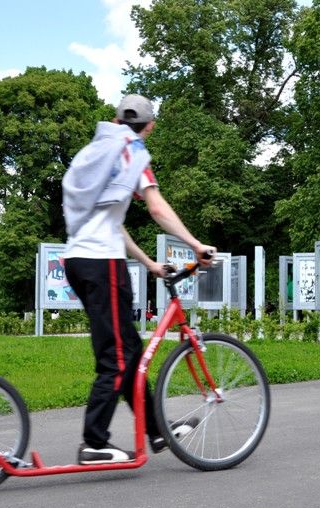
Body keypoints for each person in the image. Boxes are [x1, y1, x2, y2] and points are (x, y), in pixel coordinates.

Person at [62, 94, 215, 464]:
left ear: (116, 120)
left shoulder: (97, 152)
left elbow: (112, 224)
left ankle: (157, 431)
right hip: (102, 265)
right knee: (117, 356)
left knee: (129, 351)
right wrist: (196, 245)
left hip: (79, 260)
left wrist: (149, 264)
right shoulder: (132, 153)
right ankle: (94, 443)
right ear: (149, 127)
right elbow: (157, 208)